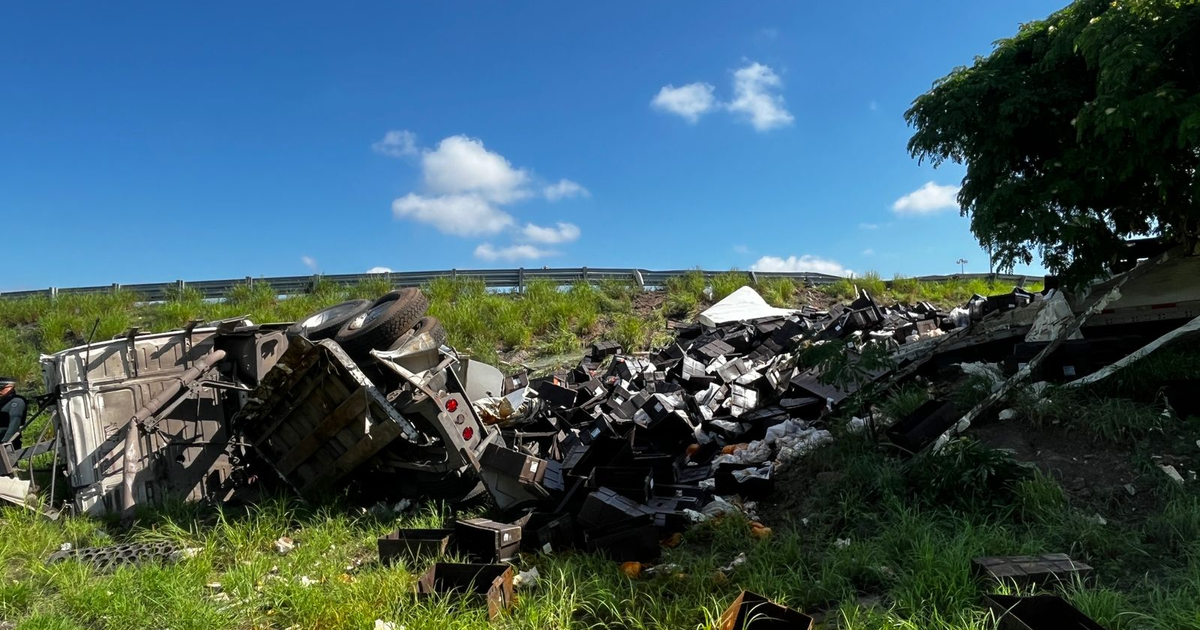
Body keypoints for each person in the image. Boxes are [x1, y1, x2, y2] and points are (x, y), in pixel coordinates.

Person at [0, 377, 26, 447]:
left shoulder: (16, 402)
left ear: (11, 387)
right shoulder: (3, 402)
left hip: (8, 443)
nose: (0, 391)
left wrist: (6, 441)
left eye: (2, 388)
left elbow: (14, 423)